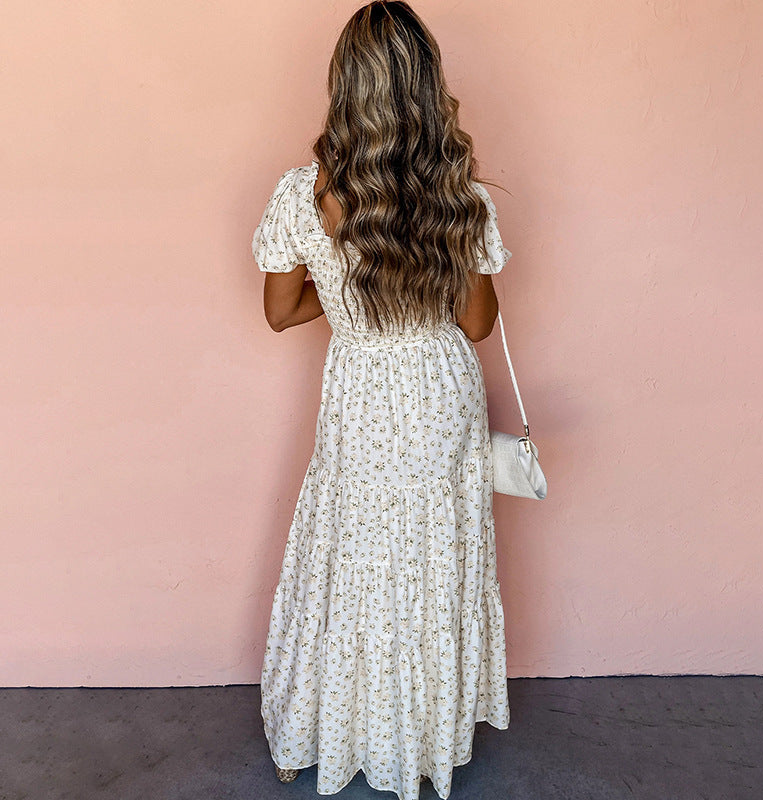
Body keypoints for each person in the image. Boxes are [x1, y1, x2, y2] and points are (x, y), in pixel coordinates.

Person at [251, 3, 512, 798]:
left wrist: (347, 291)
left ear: (343, 87)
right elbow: (476, 323)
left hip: (360, 388)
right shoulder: (458, 193)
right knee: (430, 557)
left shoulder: (305, 194)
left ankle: (329, 729)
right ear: (429, 90)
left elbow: (280, 312)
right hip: (438, 392)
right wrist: (410, 285)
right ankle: (421, 740)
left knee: (354, 554)